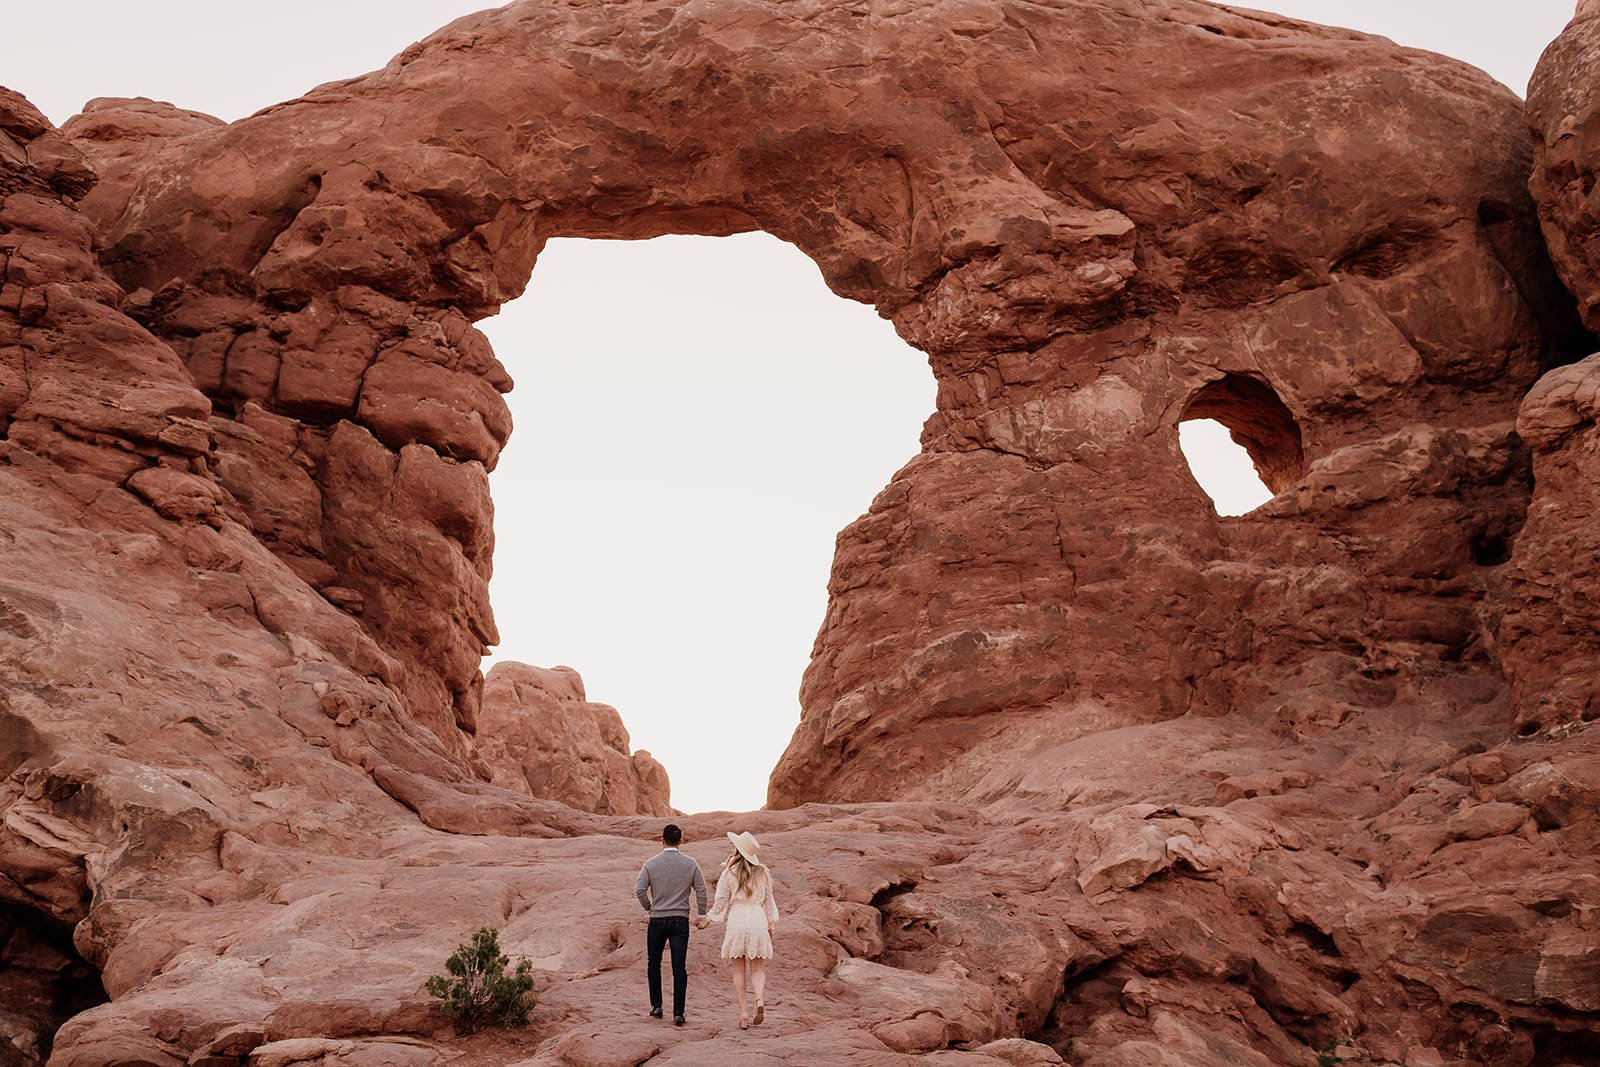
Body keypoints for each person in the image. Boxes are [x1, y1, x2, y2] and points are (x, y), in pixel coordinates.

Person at [634, 823, 708, 1026]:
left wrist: (650, 908)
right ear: (680, 840)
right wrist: (702, 914)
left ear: (662, 839)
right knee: (679, 967)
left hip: (657, 920)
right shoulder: (691, 864)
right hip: (680, 920)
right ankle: (678, 1013)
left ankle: (656, 1006)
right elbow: (701, 890)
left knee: (653, 963)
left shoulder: (651, 863)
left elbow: (639, 889)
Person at [704, 830, 779, 1030]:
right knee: (757, 969)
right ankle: (760, 1001)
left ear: (737, 850)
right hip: (757, 919)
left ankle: (744, 1014)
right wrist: (771, 925)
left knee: (738, 969)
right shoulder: (763, 871)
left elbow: (721, 902)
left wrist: (709, 919)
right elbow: (768, 901)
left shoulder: (729, 872)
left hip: (737, 919)